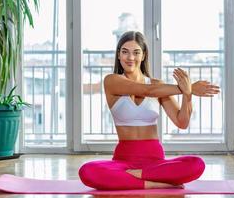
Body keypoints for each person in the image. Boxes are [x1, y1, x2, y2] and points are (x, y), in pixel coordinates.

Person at [78, 31, 220, 190]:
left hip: (155, 161)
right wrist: (190, 88)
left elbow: (182, 122)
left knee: (196, 164)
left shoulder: (158, 85)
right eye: (125, 52)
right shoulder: (112, 81)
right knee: (87, 171)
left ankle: (135, 178)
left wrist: (188, 95)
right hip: (123, 160)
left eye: (136, 52)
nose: (130, 57)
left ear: (143, 55)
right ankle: (155, 183)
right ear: (118, 55)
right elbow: (146, 91)